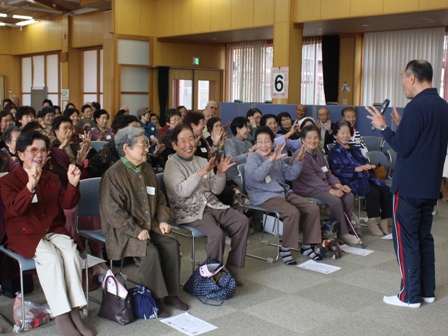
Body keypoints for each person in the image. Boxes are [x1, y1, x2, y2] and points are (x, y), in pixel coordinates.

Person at [367, 60, 448, 308]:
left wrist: (383, 127)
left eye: (403, 76)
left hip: (409, 186)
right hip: (430, 185)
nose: (402, 82)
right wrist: (403, 125)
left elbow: (403, 147)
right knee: (424, 237)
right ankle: (426, 291)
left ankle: (409, 296)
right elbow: (426, 140)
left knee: (406, 240)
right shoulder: (442, 105)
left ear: (412, 77)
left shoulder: (416, 106)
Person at [0, 131, 93, 336]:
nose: (39, 155)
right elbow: (15, 210)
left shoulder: (51, 177)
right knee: (51, 258)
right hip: (25, 234)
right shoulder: (8, 181)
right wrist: (30, 186)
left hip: (53, 229)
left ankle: (75, 311)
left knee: (70, 252)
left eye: (43, 150)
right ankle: (62, 316)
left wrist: (72, 184)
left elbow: (67, 204)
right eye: (33, 150)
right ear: (21, 154)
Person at [99, 126, 188, 317]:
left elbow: (160, 199)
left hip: (150, 224)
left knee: (171, 244)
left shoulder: (147, 169)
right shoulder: (114, 175)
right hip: (124, 230)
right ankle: (155, 299)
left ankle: (172, 294)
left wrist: (163, 220)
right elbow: (111, 211)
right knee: (149, 251)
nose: (147, 148)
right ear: (126, 148)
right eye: (143, 145)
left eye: (146, 144)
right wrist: (135, 230)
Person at [164, 124, 249, 285]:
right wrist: (200, 173)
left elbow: (215, 190)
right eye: (182, 141)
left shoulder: (202, 160)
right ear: (174, 145)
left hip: (211, 204)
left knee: (242, 222)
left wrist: (221, 174)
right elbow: (181, 191)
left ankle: (233, 266)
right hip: (188, 209)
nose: (188, 144)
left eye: (191, 139)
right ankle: (213, 275)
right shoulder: (172, 164)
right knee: (216, 234)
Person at [245, 126, 322, 264]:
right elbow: (257, 176)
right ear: (255, 144)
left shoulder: (277, 155)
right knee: (292, 212)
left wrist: (298, 161)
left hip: (282, 192)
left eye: (267, 141)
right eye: (260, 142)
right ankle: (285, 248)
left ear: (272, 142)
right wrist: (270, 161)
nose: (263, 145)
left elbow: (290, 175)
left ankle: (307, 246)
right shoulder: (253, 158)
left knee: (312, 208)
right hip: (263, 196)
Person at [291, 125, 360, 245]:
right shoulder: (300, 155)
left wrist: (338, 185)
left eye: (316, 138)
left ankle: (341, 229)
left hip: (322, 186)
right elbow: (311, 179)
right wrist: (331, 190)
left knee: (348, 196)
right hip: (307, 188)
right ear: (303, 140)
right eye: (309, 138)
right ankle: (343, 233)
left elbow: (327, 172)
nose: (313, 141)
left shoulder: (318, 153)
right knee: (335, 200)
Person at [329, 121, 392, 236]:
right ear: (335, 135)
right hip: (349, 181)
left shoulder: (354, 148)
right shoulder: (334, 152)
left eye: (348, 132)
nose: (345, 135)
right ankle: (372, 221)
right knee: (373, 193)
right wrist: (356, 169)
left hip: (364, 177)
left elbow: (363, 161)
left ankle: (384, 220)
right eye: (342, 133)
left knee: (386, 190)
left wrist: (368, 165)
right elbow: (337, 170)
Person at [223, 116, 256, 187]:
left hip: (249, 174)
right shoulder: (229, 143)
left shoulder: (249, 144)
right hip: (235, 176)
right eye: (247, 127)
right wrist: (248, 154)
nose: (249, 130)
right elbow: (232, 160)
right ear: (238, 129)